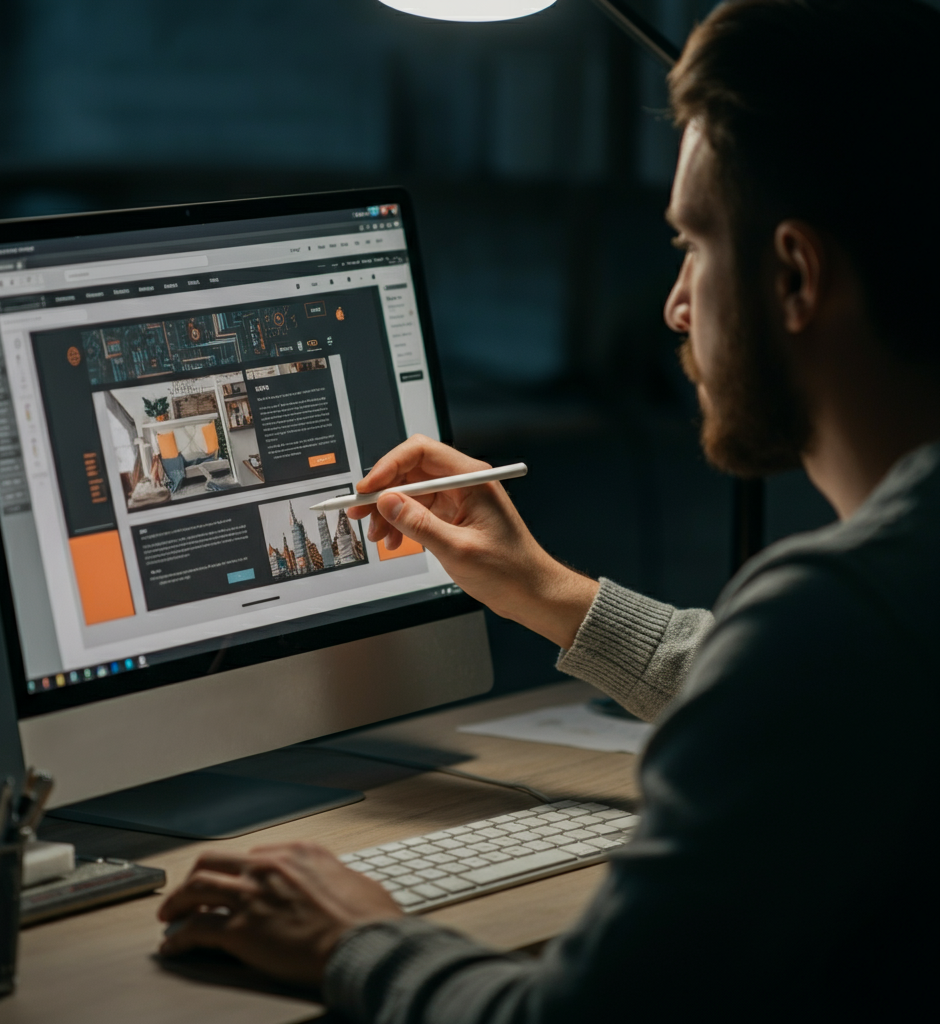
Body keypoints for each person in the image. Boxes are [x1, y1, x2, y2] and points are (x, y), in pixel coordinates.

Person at [157, 1, 940, 1017]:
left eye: (691, 244)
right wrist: (556, 596)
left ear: (791, 273)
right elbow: (816, 693)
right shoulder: (877, 617)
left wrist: (355, 937)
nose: (673, 305)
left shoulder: (838, 607)